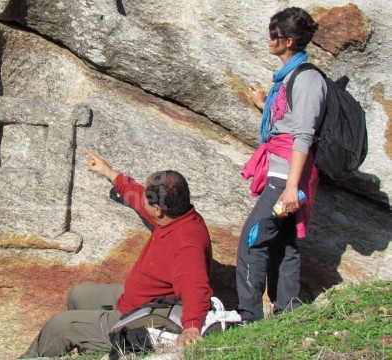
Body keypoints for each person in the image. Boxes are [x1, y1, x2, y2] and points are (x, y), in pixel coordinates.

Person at [20, 150, 213, 358]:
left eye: (149, 198)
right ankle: (90, 348)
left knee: (59, 325)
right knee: (78, 294)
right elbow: (139, 198)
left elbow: (196, 285)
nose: (143, 198)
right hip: (132, 297)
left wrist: (192, 326)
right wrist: (110, 173)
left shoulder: (186, 244)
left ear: (157, 209)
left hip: (138, 316)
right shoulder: (176, 214)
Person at [236, 7, 325, 323]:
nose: (268, 39)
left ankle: (249, 319)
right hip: (284, 175)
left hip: (286, 178)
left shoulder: (307, 79)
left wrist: (290, 188)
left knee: (252, 240)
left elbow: (303, 135)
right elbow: (287, 123)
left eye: (273, 34)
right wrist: (264, 105)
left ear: (287, 41)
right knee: (285, 244)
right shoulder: (289, 76)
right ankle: (288, 314)